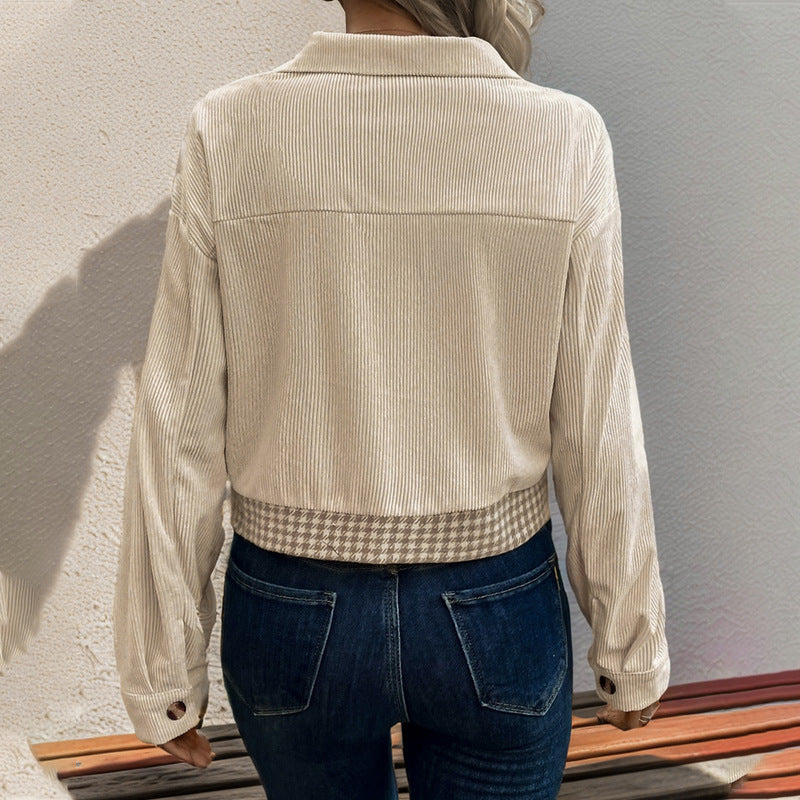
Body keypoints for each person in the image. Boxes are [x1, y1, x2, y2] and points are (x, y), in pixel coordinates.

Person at [112, 0, 669, 797]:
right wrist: (630, 643)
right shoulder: (564, 135)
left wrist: (164, 669)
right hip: (494, 600)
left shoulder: (229, 128)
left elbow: (181, 420)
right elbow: (597, 416)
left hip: (292, 606)